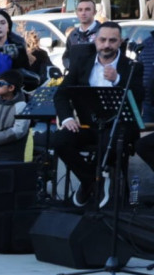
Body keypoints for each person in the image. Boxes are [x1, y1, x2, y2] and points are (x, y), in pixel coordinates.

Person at [51, 21, 144, 208]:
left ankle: (99, 183)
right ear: (95, 40)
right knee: (59, 141)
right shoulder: (82, 64)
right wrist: (68, 118)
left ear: (120, 42)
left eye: (112, 40)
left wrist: (117, 79)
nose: (106, 45)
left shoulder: (131, 66)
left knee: (109, 144)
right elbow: (61, 94)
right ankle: (92, 180)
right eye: (102, 40)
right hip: (88, 124)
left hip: (119, 126)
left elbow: (138, 98)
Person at [0, 69, 30, 162]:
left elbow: (19, 131)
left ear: (11, 88)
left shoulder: (21, 106)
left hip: (12, 153)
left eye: (0, 84)